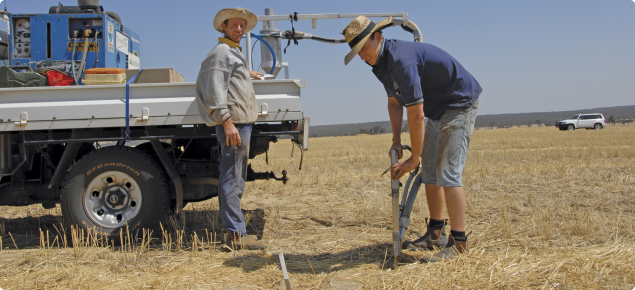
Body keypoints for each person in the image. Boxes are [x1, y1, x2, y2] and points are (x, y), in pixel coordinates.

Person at [342, 16, 482, 262]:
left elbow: (416, 114)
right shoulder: (379, 64)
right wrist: (396, 140)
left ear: (378, 37)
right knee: (430, 172)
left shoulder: (401, 60)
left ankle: (459, 243)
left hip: (458, 103)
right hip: (437, 109)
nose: (362, 56)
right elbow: (394, 101)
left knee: (447, 174)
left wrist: (414, 158)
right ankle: (435, 233)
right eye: (357, 52)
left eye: (364, 47)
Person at [195, 7, 266, 250]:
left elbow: (229, 77)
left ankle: (233, 233)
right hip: (234, 125)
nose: (239, 29)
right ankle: (236, 235)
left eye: (242, 26)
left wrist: (247, 73)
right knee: (233, 177)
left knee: (235, 176)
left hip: (240, 124)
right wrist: (227, 122)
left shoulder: (232, 53)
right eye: (234, 25)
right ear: (223, 27)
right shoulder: (221, 53)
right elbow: (214, 89)